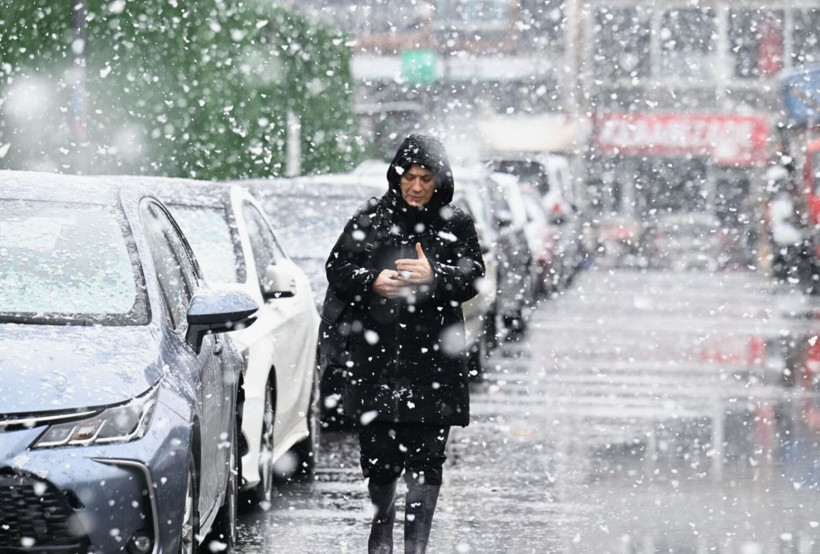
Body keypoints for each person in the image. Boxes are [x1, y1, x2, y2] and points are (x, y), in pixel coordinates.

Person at [325, 134, 485, 553]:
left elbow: (473, 278)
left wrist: (436, 277)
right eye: (409, 177)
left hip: (434, 362)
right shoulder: (371, 219)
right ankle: (381, 534)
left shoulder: (455, 224)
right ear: (397, 177)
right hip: (377, 360)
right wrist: (371, 281)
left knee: (427, 460)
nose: (416, 187)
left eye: (425, 178)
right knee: (380, 460)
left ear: (439, 181)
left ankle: (416, 545)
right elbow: (337, 268)